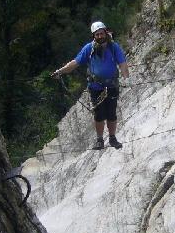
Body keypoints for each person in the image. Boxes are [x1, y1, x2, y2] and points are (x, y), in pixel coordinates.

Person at [51, 21, 129, 150]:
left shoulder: (113, 47)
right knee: (99, 115)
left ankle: (112, 138)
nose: (100, 36)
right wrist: (60, 71)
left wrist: (126, 78)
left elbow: (122, 63)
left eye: (101, 33)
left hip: (111, 85)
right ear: (94, 36)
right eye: (97, 34)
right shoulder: (89, 48)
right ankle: (99, 140)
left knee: (111, 114)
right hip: (95, 87)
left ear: (105, 32)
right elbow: (75, 63)